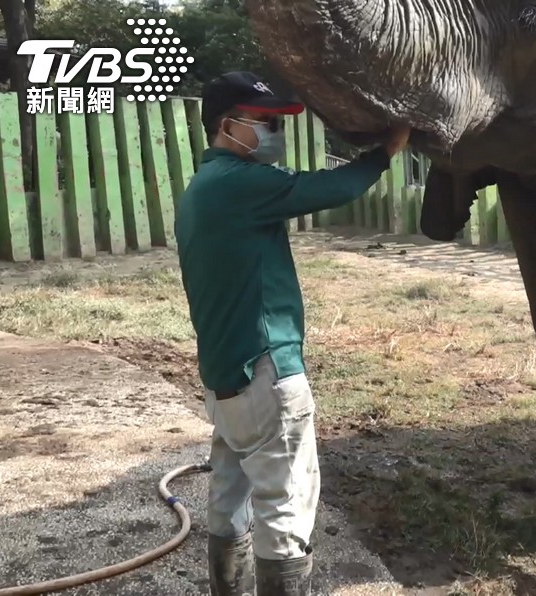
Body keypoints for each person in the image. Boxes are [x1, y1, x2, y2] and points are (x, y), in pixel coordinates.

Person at [175, 71, 410, 596]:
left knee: (229, 491)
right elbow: (334, 186)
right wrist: (385, 151)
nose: (272, 133)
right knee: (285, 506)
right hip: (265, 370)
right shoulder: (239, 183)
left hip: (223, 374)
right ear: (226, 125)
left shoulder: (202, 188)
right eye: (263, 122)